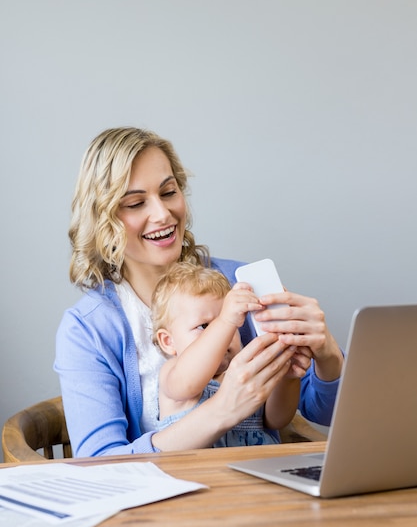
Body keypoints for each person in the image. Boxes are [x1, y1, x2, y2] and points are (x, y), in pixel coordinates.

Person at [54, 126, 344, 457]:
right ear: (103, 219)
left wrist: (328, 355)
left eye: (168, 192)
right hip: (162, 501)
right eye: (135, 203)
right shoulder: (89, 329)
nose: (162, 214)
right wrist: (223, 410)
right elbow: (99, 463)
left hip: (258, 491)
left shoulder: (240, 283)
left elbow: (323, 412)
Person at [152, 262, 304, 447]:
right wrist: (225, 319)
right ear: (168, 342)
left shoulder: (246, 372)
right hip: (198, 473)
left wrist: (287, 378)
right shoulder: (173, 372)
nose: (225, 333)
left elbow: (276, 421)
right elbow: (189, 383)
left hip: (255, 468)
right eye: (205, 326)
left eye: (234, 324)